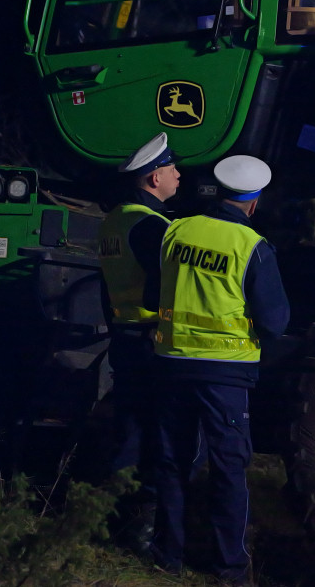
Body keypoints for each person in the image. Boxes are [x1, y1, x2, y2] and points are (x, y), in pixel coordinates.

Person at [149, 155, 290, 586]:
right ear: (253, 202)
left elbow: (159, 287)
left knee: (173, 461)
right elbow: (275, 320)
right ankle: (229, 569)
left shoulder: (176, 230)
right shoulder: (252, 247)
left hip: (172, 364)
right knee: (229, 469)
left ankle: (166, 557)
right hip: (224, 373)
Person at [97, 132, 180, 552]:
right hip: (151, 341)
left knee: (128, 429)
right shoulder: (153, 226)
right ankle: (140, 528)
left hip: (124, 337)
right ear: (153, 179)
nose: (178, 175)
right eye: (170, 170)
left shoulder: (114, 219)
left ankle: (103, 517)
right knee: (155, 436)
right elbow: (163, 288)